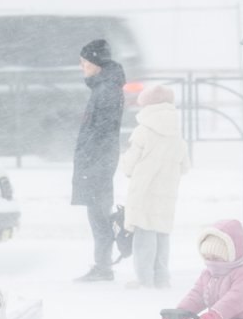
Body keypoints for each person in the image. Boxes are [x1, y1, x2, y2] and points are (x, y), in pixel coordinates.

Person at [120, 85, 190, 289]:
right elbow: (185, 166)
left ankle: (144, 279)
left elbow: (130, 163)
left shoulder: (144, 130)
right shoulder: (176, 133)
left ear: (147, 106)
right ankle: (161, 277)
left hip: (144, 190)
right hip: (167, 193)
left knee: (144, 235)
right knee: (161, 233)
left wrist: (129, 167)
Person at [72, 39, 126, 282]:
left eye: (84, 62)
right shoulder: (104, 87)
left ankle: (103, 268)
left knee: (99, 217)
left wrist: (90, 163)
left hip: (98, 163)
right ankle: (103, 265)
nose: (82, 66)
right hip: (97, 161)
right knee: (98, 215)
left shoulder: (106, 91)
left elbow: (102, 131)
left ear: (95, 63)